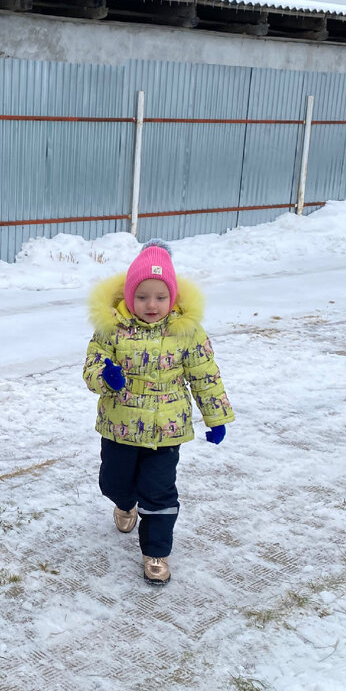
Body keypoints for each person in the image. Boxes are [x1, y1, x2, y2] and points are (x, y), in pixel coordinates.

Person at [82, 240, 233, 586]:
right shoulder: (111, 328)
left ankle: (156, 553)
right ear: (129, 296)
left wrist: (216, 415)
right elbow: (91, 368)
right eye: (143, 296)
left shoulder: (187, 331)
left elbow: (205, 375)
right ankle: (124, 503)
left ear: (173, 298)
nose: (151, 305)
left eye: (160, 297)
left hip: (167, 431)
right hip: (120, 428)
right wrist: (105, 377)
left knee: (160, 492)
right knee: (113, 482)